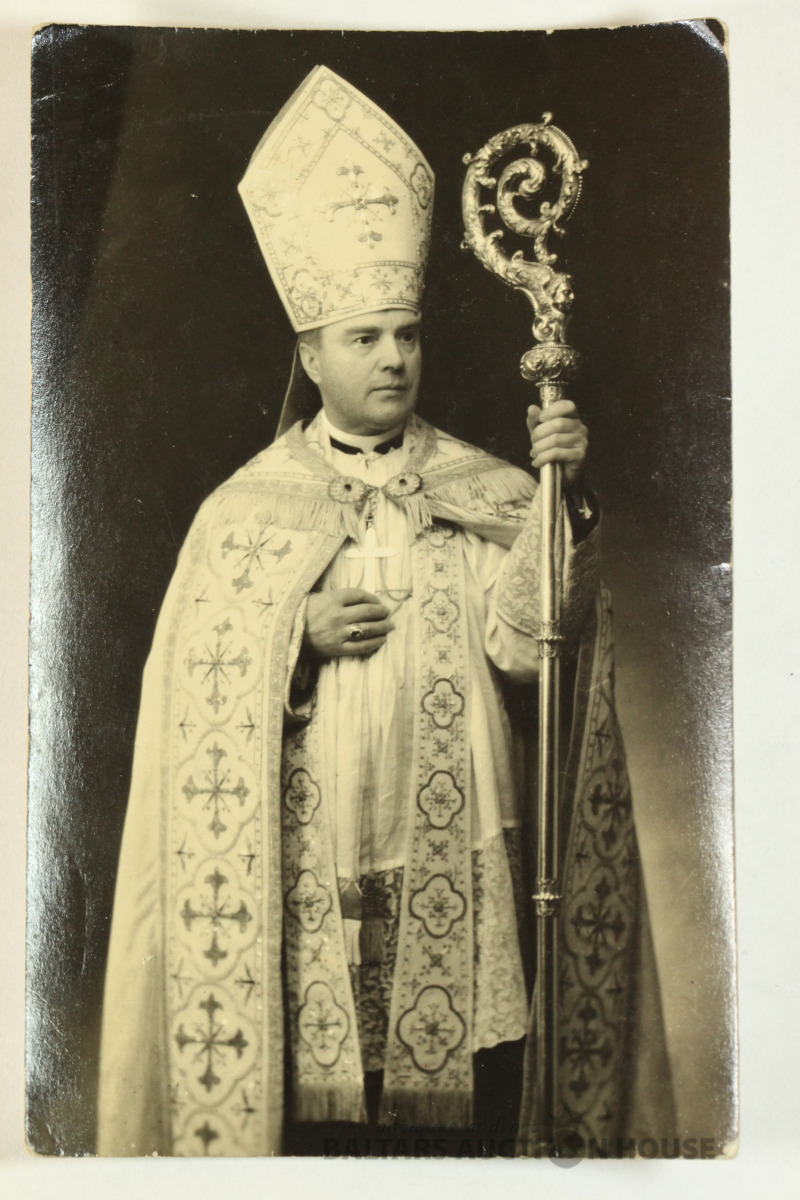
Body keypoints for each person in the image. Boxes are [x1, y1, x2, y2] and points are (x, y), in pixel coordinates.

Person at [97, 65, 673, 1158]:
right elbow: (189, 702)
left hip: (454, 862)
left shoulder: (483, 488)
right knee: (323, 1143)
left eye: (406, 333)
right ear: (310, 354)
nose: (395, 357)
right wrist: (292, 638)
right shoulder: (242, 516)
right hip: (306, 869)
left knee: (454, 1139)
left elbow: (527, 651)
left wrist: (561, 502)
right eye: (364, 337)